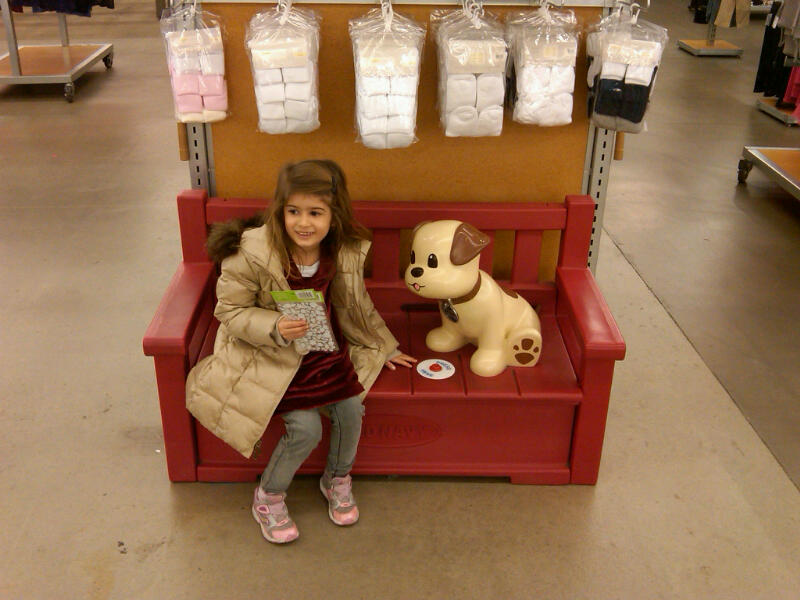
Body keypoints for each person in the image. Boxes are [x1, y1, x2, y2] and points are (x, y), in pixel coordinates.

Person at [185, 159, 416, 544]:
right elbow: (230, 310)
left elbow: (356, 304)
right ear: (280, 210)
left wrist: (384, 345)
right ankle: (269, 496)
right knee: (306, 429)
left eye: (315, 213)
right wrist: (273, 325)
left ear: (334, 214)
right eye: (293, 211)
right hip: (270, 357)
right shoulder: (253, 252)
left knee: (350, 410)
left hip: (323, 351)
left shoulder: (339, 251)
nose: (303, 223)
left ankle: (336, 478)